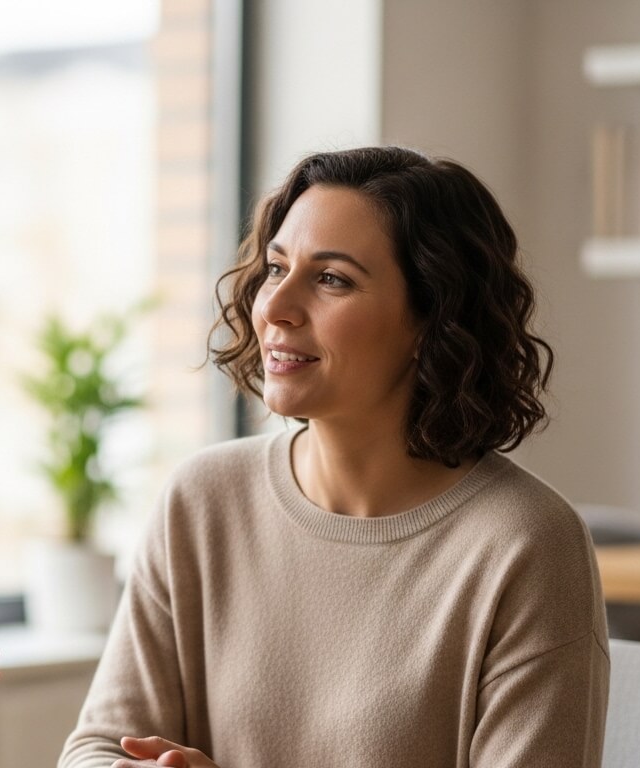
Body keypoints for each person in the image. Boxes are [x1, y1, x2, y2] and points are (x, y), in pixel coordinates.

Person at [58, 147, 609, 768]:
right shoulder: (202, 499)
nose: (274, 307)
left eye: (331, 279)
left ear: (433, 319)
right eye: (275, 268)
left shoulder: (527, 545)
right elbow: (96, 748)